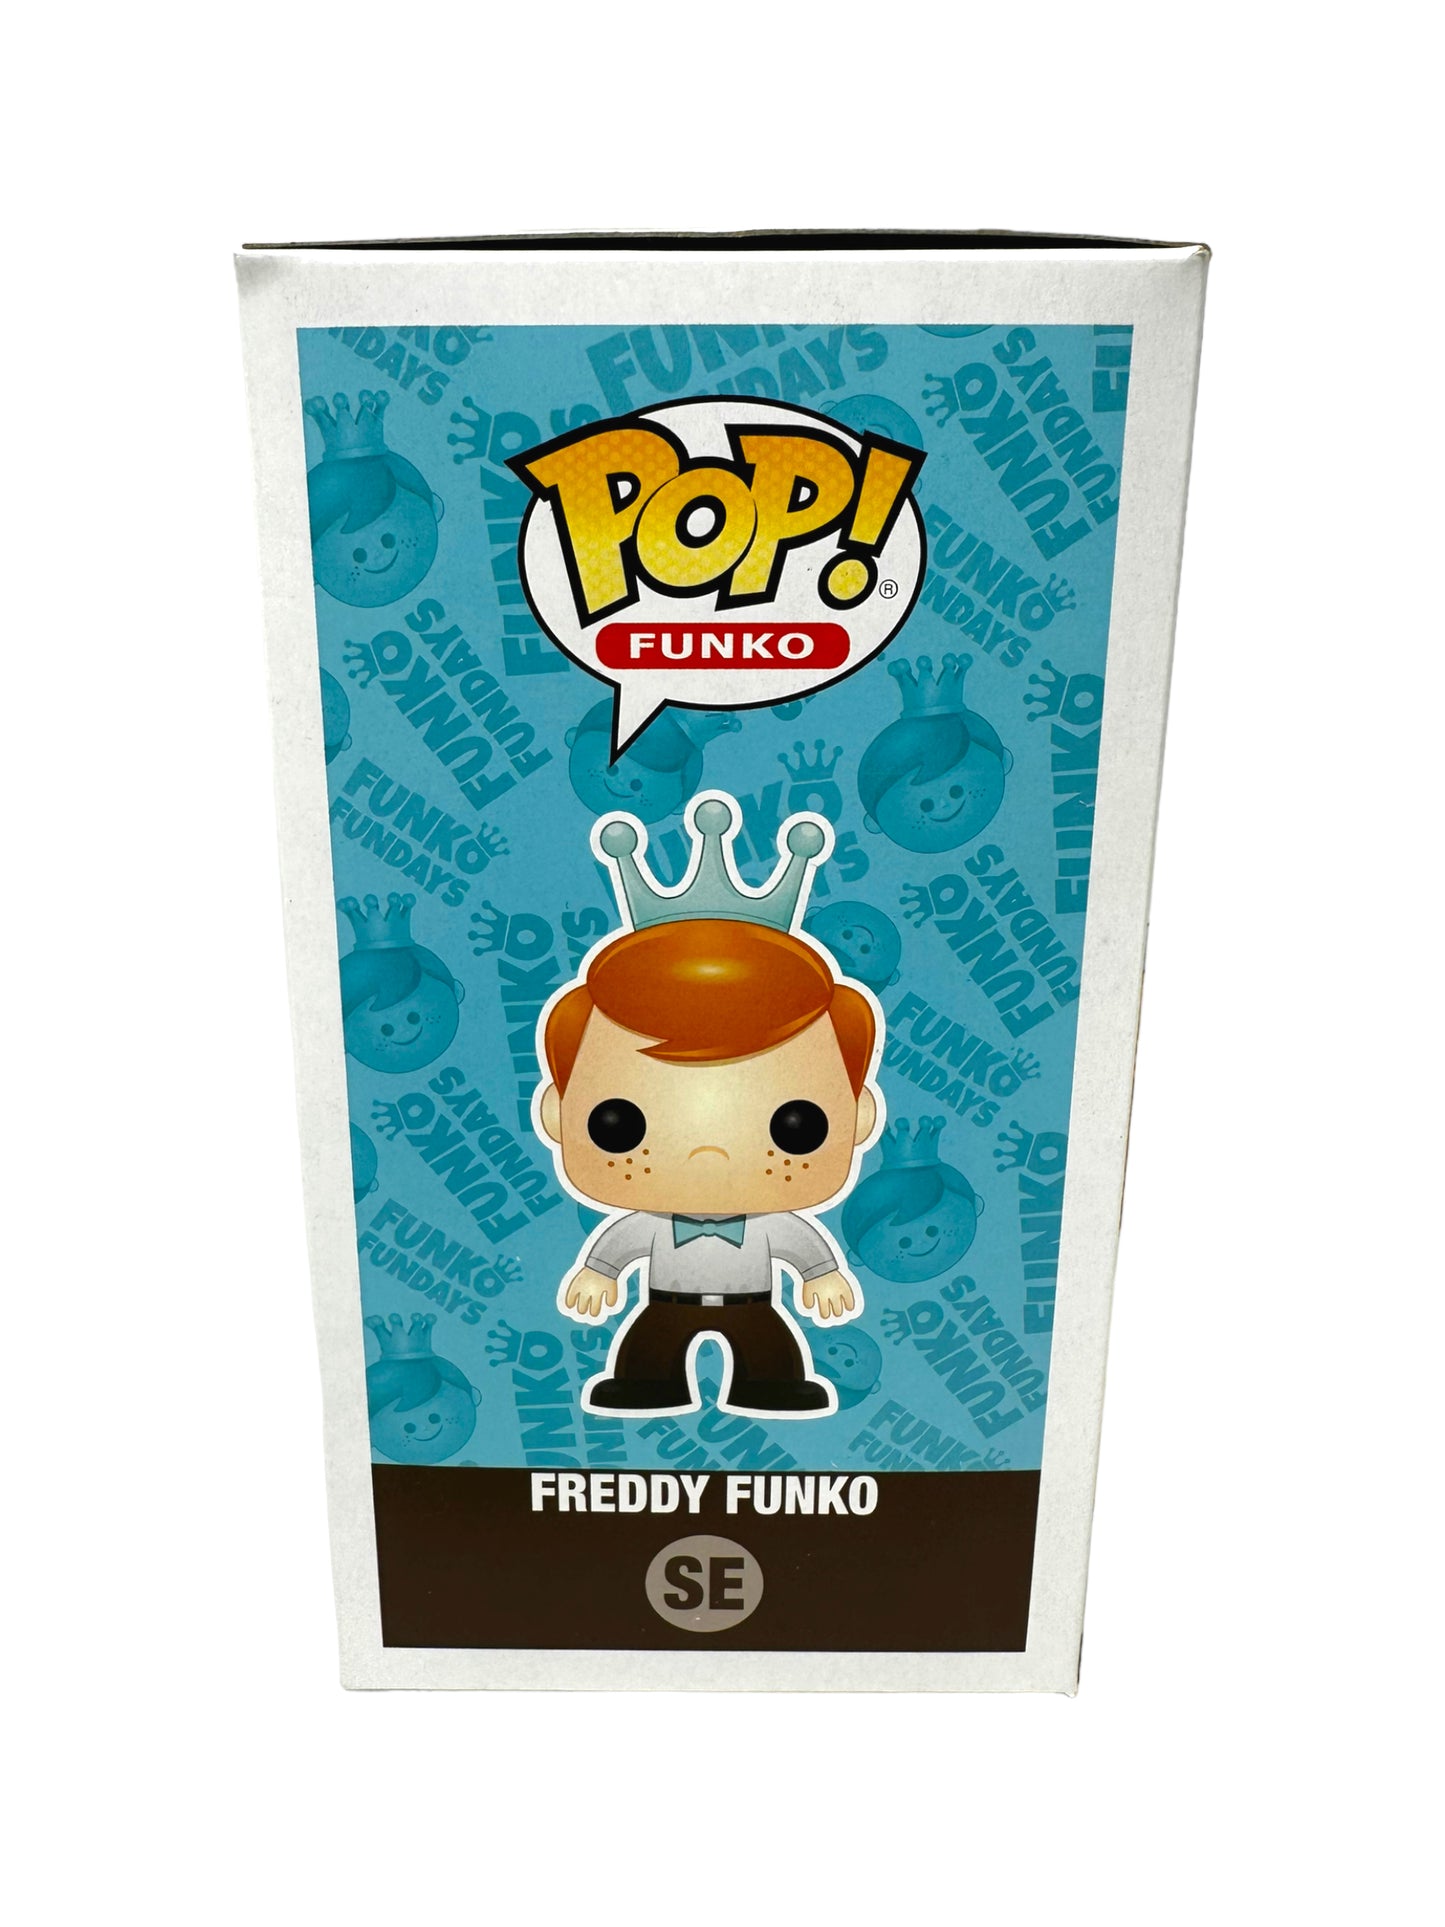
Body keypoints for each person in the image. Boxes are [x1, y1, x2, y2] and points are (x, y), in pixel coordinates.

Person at [536, 794, 883, 1418]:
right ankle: (647, 1384)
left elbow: (803, 1247)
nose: (708, 1154)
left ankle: (771, 1385)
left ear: (858, 1117)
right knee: (648, 1351)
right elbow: (619, 1245)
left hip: (756, 1305)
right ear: (557, 1116)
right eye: (618, 1124)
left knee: (770, 1353)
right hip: (664, 1303)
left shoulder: (774, 1225)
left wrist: (823, 1275)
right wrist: (599, 1272)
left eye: (796, 1125)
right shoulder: (649, 1224)